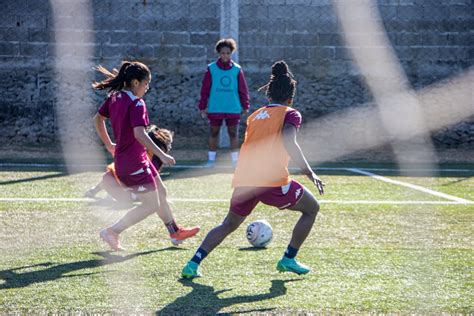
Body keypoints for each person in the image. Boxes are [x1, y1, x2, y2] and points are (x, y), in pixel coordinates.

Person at [182, 60, 325, 278]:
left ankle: (193, 264)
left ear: (269, 95)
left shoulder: (254, 116)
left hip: (245, 179)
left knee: (228, 224)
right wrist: (309, 172)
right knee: (311, 209)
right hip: (271, 180)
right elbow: (289, 141)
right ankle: (288, 258)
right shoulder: (290, 113)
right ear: (291, 97)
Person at [92, 60, 200, 250]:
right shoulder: (136, 103)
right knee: (150, 205)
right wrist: (162, 155)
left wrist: (109, 144)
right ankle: (113, 231)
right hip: (133, 164)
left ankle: (175, 232)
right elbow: (139, 133)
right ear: (135, 83)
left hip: (136, 159)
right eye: (146, 83)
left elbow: (98, 119)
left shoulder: (115, 97)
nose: (147, 88)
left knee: (161, 192)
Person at [85, 125, 173, 205]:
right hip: (122, 186)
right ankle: (118, 195)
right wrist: (161, 198)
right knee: (142, 195)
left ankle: (105, 193)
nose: (169, 148)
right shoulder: (154, 157)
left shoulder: (138, 150)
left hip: (113, 179)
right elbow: (152, 181)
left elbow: (110, 174)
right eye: (168, 144)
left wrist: (94, 190)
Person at [198, 38, 250, 167]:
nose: (225, 55)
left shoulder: (237, 69)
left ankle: (234, 161)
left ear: (231, 53)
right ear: (218, 53)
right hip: (216, 107)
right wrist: (203, 106)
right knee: (213, 133)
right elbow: (205, 89)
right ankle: (211, 160)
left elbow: (242, 89)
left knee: (233, 134)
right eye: (222, 53)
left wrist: (245, 105)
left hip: (233, 107)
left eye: (227, 53)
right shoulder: (211, 68)